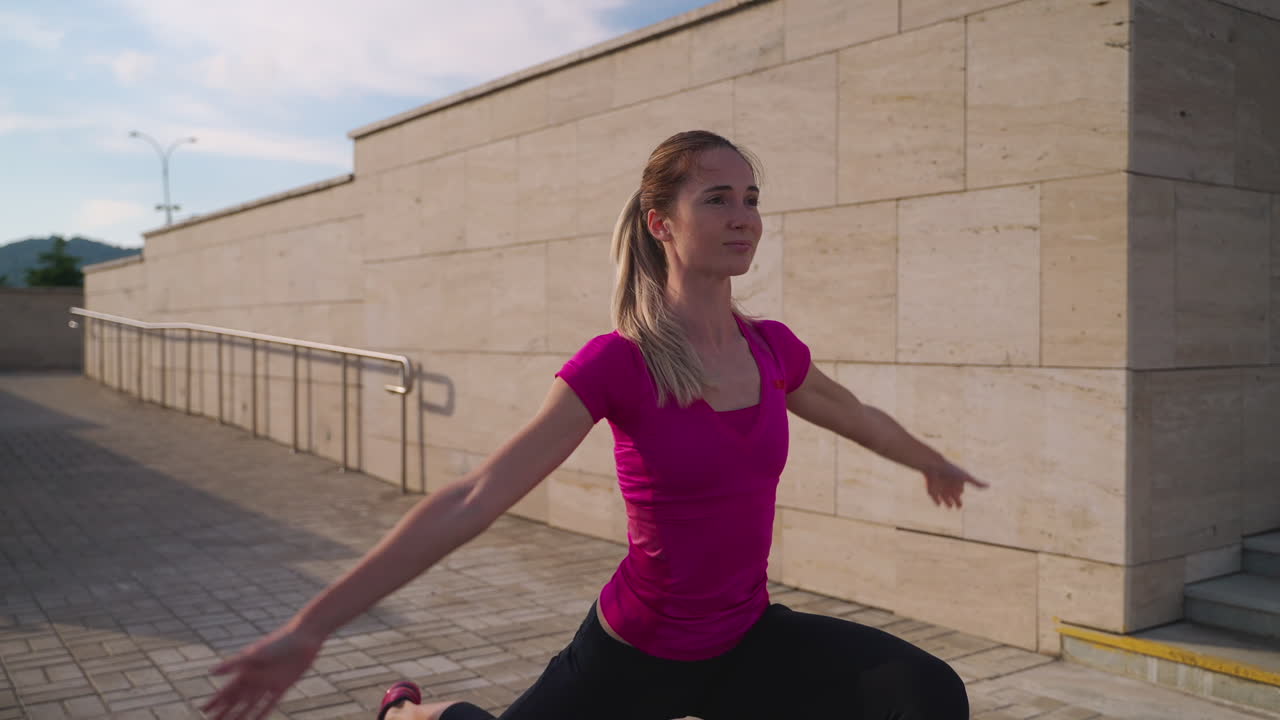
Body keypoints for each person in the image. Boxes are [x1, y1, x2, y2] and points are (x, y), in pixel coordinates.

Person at [202, 130, 987, 720]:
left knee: (924, 693)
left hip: (746, 639)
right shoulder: (619, 364)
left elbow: (855, 415)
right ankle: (408, 710)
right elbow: (473, 497)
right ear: (661, 223)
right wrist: (310, 629)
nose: (743, 216)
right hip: (634, 653)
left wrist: (930, 462)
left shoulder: (772, 350)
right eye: (716, 198)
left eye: (751, 198)